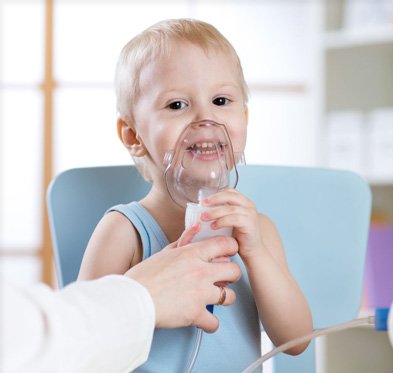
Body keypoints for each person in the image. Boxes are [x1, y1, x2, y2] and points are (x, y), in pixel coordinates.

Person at [78, 18, 313, 372]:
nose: (206, 119)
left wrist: (255, 252)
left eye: (221, 100)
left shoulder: (257, 232)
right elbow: (86, 342)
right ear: (132, 135)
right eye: (177, 105)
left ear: (244, 119)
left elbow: (297, 340)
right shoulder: (124, 231)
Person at [3, 234, 241, 373]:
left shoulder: (251, 228)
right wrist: (143, 298)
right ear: (134, 144)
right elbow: (94, 350)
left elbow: (280, 341)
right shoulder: (123, 230)